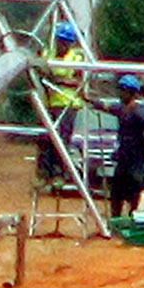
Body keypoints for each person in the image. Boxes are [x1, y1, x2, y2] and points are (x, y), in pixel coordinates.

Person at [87, 74, 144, 220]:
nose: (120, 94)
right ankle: (115, 220)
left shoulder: (140, 112)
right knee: (116, 192)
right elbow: (105, 106)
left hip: (137, 159)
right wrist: (89, 99)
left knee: (134, 190)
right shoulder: (121, 109)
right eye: (120, 90)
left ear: (132, 93)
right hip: (123, 157)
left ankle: (132, 219)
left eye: (123, 91)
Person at [36, 21, 86, 184]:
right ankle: (45, 172)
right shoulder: (47, 54)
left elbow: (78, 82)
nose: (62, 44)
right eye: (60, 40)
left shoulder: (76, 58)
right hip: (50, 103)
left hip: (67, 104)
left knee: (60, 139)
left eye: (66, 41)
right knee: (44, 138)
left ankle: (60, 173)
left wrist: (58, 81)